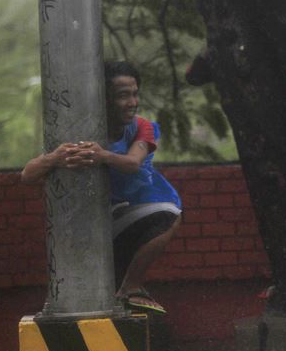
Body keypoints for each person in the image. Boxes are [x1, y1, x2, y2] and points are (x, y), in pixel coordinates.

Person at [22, 61, 181, 314]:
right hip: (90, 222)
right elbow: (28, 175)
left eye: (135, 94)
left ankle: (131, 287)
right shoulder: (78, 129)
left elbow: (132, 163)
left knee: (169, 214)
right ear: (103, 98)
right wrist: (55, 158)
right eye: (122, 96)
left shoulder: (141, 127)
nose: (132, 102)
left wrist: (103, 156)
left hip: (136, 211)